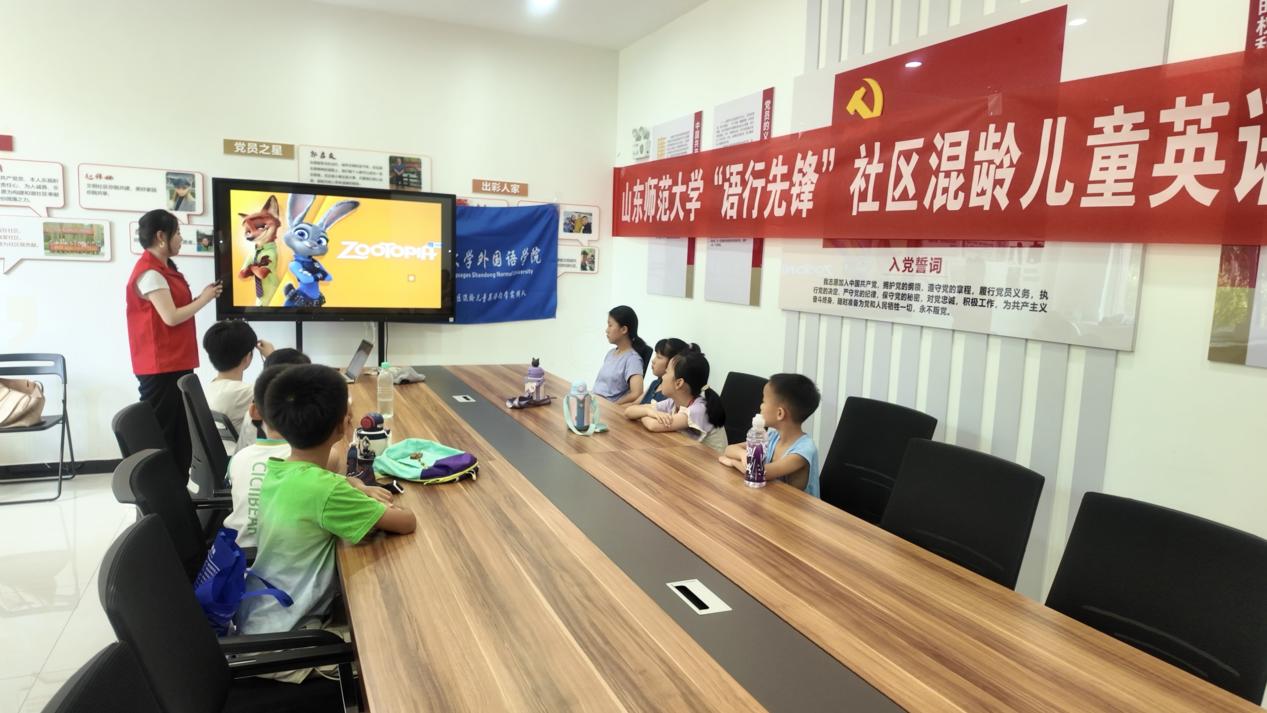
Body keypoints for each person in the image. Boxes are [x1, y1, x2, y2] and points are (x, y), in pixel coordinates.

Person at [239, 365, 414, 648]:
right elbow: (406, 522)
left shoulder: (277, 470)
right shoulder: (327, 490)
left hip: (259, 618)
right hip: (293, 637)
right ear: (342, 426)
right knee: (388, 637)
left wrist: (352, 484)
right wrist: (356, 490)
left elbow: (317, 487)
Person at [224, 364, 389, 549]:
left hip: (237, 554)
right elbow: (328, 490)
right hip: (284, 555)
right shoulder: (321, 459)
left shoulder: (240, 458)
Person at [126, 209, 220, 474]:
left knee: (180, 432)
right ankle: (164, 487)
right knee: (166, 433)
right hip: (160, 365)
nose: (180, 239)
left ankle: (177, 485)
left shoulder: (164, 269)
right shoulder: (150, 273)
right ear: (161, 236)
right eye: (177, 233)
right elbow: (171, 317)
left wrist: (201, 297)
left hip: (173, 361)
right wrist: (205, 299)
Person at [720, 373, 822, 497]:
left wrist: (733, 462)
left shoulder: (804, 449)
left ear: (780, 413)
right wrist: (743, 455)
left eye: (764, 401)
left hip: (793, 508)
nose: (761, 406)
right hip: (771, 499)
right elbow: (729, 449)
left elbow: (758, 473)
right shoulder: (772, 436)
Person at [624, 347, 727, 452]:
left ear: (678, 383)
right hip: (691, 455)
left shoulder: (699, 409)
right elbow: (629, 411)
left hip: (711, 461)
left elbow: (653, 426)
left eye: (666, 372)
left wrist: (644, 414)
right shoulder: (673, 402)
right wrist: (648, 412)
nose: (662, 377)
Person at [203, 319, 274, 449]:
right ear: (247, 357)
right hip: (243, 456)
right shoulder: (244, 392)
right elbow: (286, 389)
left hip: (226, 455)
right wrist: (272, 356)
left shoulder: (208, 389)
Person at [594, 305, 650, 405]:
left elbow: (637, 393)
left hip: (606, 408)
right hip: (596, 402)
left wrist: (614, 405)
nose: (607, 330)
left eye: (610, 325)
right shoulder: (611, 353)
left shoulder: (633, 359)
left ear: (624, 329)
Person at [639, 337, 689, 404]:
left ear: (672, 362)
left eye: (659, 357)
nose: (653, 361)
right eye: (655, 355)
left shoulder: (671, 393)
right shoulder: (655, 383)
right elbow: (635, 404)